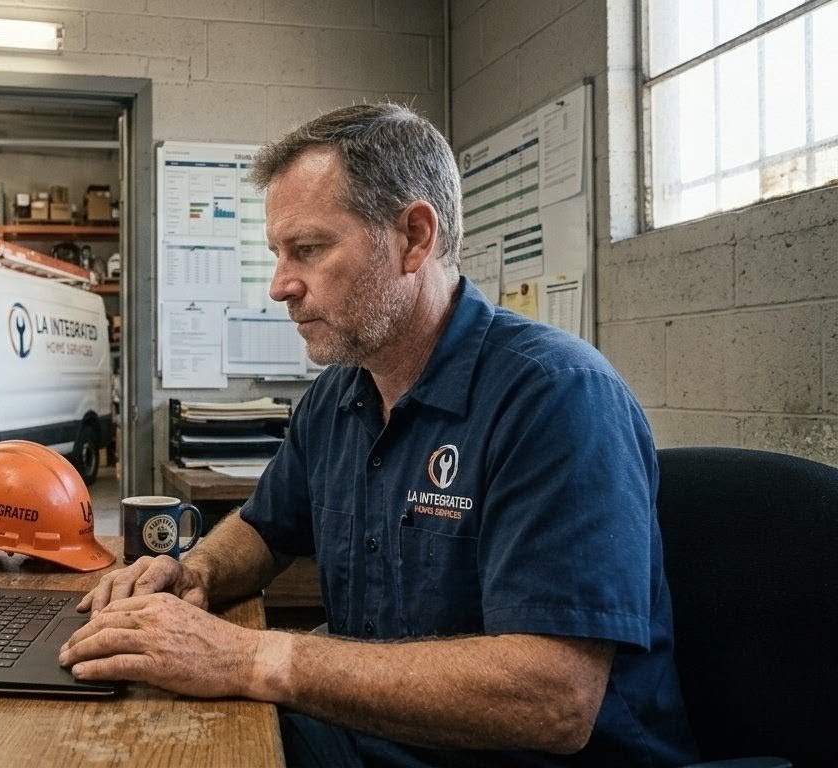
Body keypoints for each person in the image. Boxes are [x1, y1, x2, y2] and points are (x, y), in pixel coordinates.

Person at [58, 103, 697, 766]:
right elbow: (265, 528)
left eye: (309, 249)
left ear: (414, 238)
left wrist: (251, 658)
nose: (280, 286)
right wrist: (197, 573)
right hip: (376, 737)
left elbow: (554, 698)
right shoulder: (339, 394)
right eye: (278, 254)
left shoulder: (555, 396)